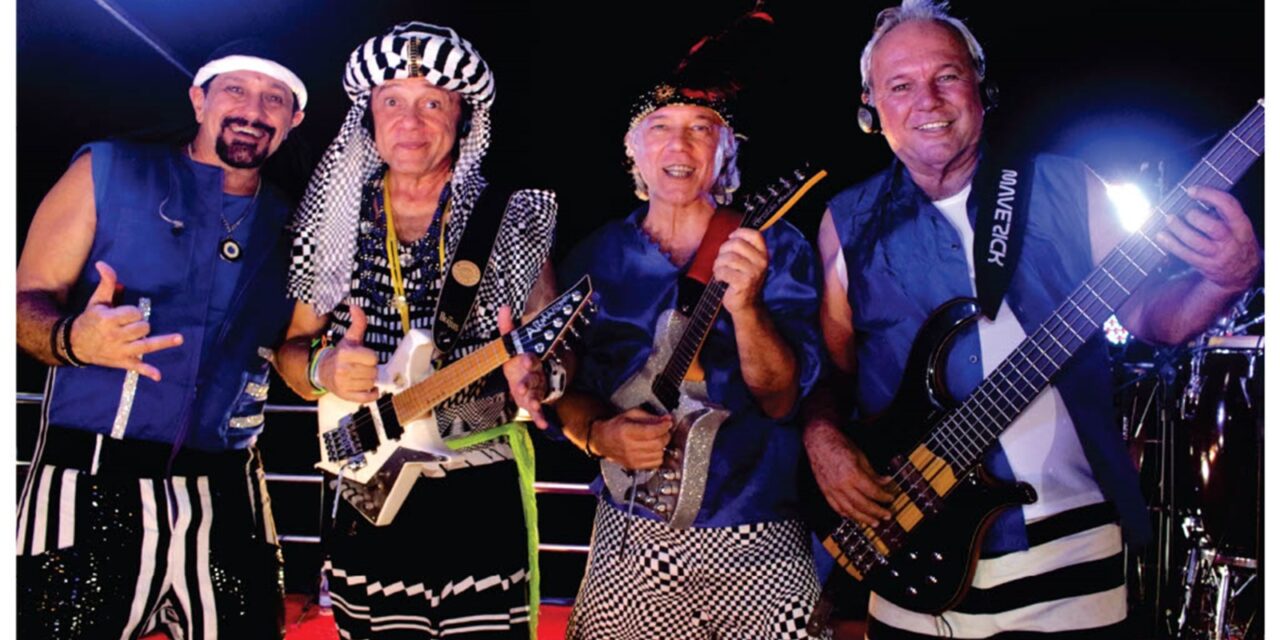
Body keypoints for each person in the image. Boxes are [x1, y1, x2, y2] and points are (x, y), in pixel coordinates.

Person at [802, 1, 1261, 637]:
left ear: (981, 88)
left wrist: (1226, 279)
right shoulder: (843, 222)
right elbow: (832, 374)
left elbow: (1159, 317)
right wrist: (822, 439)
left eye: (948, 76)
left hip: (1069, 557)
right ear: (871, 108)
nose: (927, 101)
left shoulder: (1069, 187)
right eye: (900, 86)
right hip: (909, 550)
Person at [274, 21, 559, 639]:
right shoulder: (327, 217)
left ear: (463, 119)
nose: (411, 121)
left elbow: (557, 355)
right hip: (369, 481)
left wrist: (539, 376)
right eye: (393, 102)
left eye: (433, 103)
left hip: (479, 480)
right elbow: (292, 355)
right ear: (369, 116)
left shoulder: (513, 215)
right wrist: (323, 368)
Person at [15, 39, 308, 639]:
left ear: (292, 120)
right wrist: (73, 338)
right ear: (199, 99)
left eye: (273, 97)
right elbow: (23, 301)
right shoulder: (108, 169)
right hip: (88, 485)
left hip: (229, 497)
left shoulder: (297, 224)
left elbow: (293, 350)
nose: (253, 109)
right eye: (235, 89)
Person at [552, 66, 827, 637]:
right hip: (628, 536)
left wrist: (747, 307)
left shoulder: (776, 247)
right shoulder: (594, 257)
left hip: (760, 538)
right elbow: (564, 394)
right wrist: (599, 436)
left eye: (702, 128)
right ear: (634, 147)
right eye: (659, 127)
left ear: (725, 150)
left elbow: (780, 400)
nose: (679, 145)